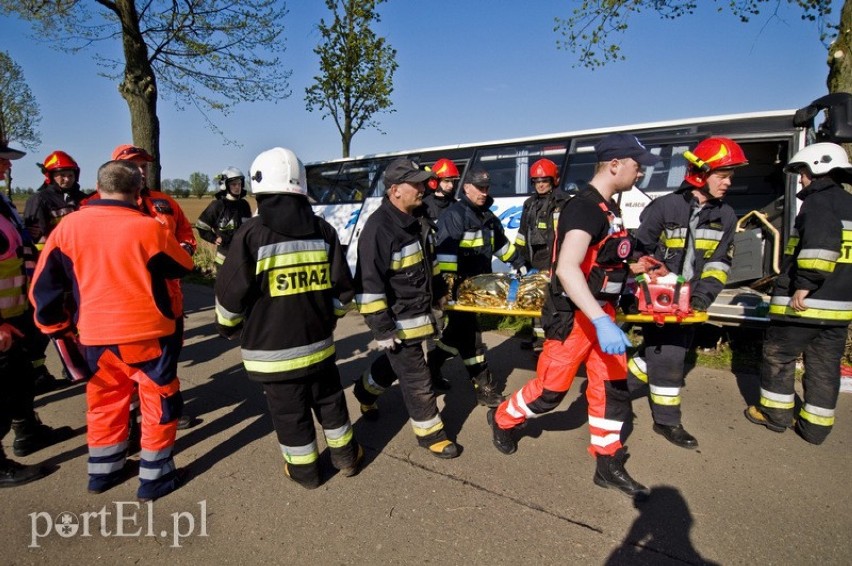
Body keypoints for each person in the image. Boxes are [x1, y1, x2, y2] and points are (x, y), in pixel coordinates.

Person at [487, 133, 661, 501]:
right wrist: (598, 320)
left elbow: (602, 258)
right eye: (636, 165)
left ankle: (607, 461)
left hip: (602, 313)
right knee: (550, 392)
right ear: (615, 164)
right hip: (577, 318)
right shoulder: (582, 208)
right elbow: (567, 269)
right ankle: (503, 418)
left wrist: (637, 264)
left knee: (612, 389)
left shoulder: (607, 209)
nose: (640, 172)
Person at [29, 160, 194, 501]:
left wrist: (56, 329)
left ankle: (103, 472)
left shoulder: (67, 228)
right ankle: (156, 477)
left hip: (94, 338)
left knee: (105, 403)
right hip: (148, 336)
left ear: (97, 187)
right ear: (137, 193)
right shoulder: (148, 228)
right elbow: (184, 264)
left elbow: (42, 288)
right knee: (158, 404)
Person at [215, 147, 362, 488]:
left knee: (289, 414)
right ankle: (346, 458)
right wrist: (329, 319)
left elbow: (230, 295)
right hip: (319, 346)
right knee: (331, 401)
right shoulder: (324, 231)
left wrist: (228, 327)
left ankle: (306, 472)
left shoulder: (251, 235)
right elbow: (343, 292)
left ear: (259, 190)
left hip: (272, 355)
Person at [627, 137, 747, 449]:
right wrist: (654, 288)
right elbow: (639, 254)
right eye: (722, 175)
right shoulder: (664, 207)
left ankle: (611, 389)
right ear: (699, 173)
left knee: (654, 355)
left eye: (731, 176)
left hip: (692, 305)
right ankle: (668, 421)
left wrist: (701, 299)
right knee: (670, 357)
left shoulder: (727, 216)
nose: (728, 182)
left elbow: (720, 263)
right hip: (659, 301)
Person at [745, 142, 852, 445]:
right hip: (839, 310)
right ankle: (815, 428)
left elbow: (822, 246)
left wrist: (804, 285)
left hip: (804, 305)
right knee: (824, 366)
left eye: (803, 173)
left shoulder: (819, 204)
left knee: (779, 356)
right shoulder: (849, 203)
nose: (802, 179)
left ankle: (776, 416)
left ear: (816, 169)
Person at [352, 158, 459, 459]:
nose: (423, 188)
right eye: (416, 183)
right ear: (395, 190)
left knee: (393, 364)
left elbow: (430, 263)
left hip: (420, 312)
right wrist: (382, 328)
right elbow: (368, 286)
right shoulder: (378, 229)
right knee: (417, 377)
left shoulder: (419, 218)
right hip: (398, 319)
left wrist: (439, 293)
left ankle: (363, 393)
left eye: (424, 182)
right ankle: (431, 435)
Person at [107, 144, 197, 432]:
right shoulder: (102, 205)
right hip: (128, 298)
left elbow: (184, 230)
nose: (141, 170)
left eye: (143, 165)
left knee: (167, 357)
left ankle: (167, 409)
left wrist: (185, 247)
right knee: (132, 362)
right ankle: (133, 420)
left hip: (170, 295)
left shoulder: (164, 201)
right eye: (134, 165)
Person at [0, 149, 71, 487]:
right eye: (1, 158)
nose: (8, 164)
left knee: (18, 377)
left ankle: (27, 431)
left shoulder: (2, 202)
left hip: (17, 310)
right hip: (2, 320)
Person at [429, 167, 527, 405]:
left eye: (486, 188)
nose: (484, 192)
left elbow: (502, 246)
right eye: (479, 188)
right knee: (471, 337)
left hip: (478, 288)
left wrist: (521, 264)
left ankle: (431, 367)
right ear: (467, 188)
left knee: (456, 335)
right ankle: (484, 386)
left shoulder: (488, 218)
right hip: (459, 289)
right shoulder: (455, 215)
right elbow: (446, 256)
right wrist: (448, 290)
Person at [23, 150, 89, 392]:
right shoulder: (39, 200)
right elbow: (35, 240)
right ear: (50, 176)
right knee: (49, 321)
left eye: (69, 174)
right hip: (52, 271)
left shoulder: (83, 199)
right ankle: (39, 370)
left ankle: (75, 362)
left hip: (79, 270)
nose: (66, 179)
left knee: (77, 319)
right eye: (60, 174)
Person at [514, 158, 570, 352]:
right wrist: (519, 258)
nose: (540, 185)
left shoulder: (563, 202)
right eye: (537, 182)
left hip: (553, 258)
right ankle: (538, 340)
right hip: (533, 258)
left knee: (551, 300)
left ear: (553, 180)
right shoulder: (529, 204)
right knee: (535, 298)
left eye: (544, 181)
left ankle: (552, 340)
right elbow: (522, 233)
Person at [196, 166, 253, 268]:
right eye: (234, 184)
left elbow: (250, 228)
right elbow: (201, 226)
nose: (237, 187)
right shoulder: (217, 205)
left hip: (243, 258)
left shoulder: (244, 205)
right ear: (225, 185)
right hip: (223, 260)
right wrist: (214, 238)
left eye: (239, 184)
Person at [420, 157, 459, 223]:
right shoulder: (424, 205)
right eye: (447, 181)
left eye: (452, 182)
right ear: (435, 181)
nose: (451, 186)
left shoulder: (456, 205)